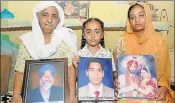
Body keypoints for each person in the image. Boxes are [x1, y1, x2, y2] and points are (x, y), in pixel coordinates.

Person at [11, 1, 77, 103]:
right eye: (45, 15)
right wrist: (16, 95)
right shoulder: (27, 42)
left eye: (54, 16)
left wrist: (72, 95)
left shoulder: (65, 40)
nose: (49, 20)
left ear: (58, 20)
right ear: (38, 17)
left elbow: (70, 69)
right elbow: (19, 72)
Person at [113, 2, 174, 102]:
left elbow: (164, 75)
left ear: (148, 16)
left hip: (153, 89)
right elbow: (118, 71)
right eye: (132, 17)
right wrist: (117, 82)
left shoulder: (160, 42)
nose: (137, 20)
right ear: (129, 21)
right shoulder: (122, 41)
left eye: (141, 15)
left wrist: (163, 88)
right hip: (129, 90)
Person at [70, 18, 116, 102]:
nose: (92, 35)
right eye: (88, 32)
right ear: (83, 35)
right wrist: (75, 66)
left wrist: (116, 83)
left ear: (102, 34)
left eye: (97, 32)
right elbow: (77, 78)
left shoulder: (108, 54)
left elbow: (113, 76)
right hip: (84, 99)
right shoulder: (78, 55)